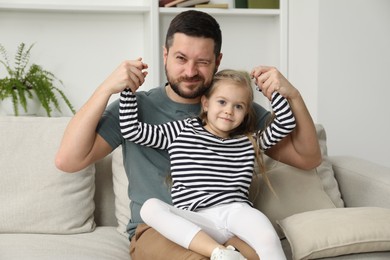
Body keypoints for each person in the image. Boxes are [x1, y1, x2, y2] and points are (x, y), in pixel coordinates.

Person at [55, 9, 322, 260]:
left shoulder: (236, 108)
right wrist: (106, 89)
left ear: (217, 61)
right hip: (158, 229)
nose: (190, 72)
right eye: (181, 59)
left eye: (202, 62)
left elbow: (308, 158)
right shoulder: (140, 107)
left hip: (229, 223)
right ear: (165, 55)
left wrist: (293, 96)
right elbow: (68, 160)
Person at [118, 69, 295, 260]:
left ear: (245, 113)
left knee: (268, 238)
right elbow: (131, 130)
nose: (229, 110)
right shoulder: (182, 130)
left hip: (235, 212)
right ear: (205, 103)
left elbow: (286, 122)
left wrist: (270, 90)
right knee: (150, 208)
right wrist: (128, 90)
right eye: (222, 102)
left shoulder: (250, 142)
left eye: (239, 106)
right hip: (195, 219)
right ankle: (219, 253)